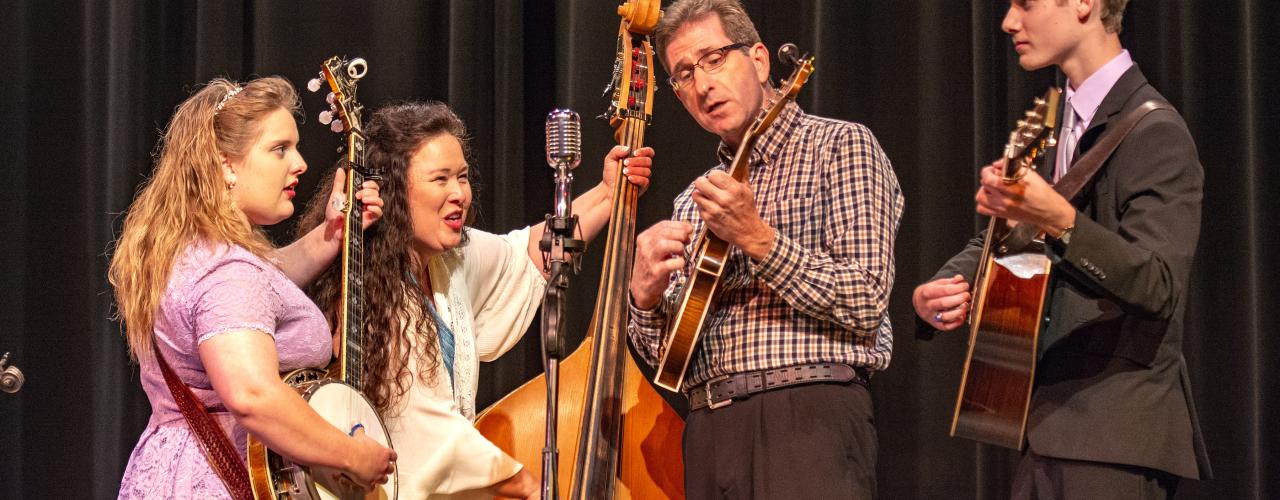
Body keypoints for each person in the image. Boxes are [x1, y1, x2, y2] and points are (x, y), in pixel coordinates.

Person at [912, 0, 1212, 497]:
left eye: (1025, 4)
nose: (1009, 22)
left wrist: (1057, 217)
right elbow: (1015, 236)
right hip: (1044, 428)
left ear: (1083, 4)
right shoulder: (1055, 123)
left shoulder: (1156, 130)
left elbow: (1159, 285)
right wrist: (945, 285)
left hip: (1114, 434)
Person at [296, 101, 653, 499]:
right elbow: (429, 432)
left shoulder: (450, 259)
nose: (459, 194)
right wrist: (529, 487)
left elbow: (531, 252)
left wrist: (608, 193)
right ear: (394, 192)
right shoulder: (375, 289)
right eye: (440, 179)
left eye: (462, 177)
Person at [626, 0, 904, 497]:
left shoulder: (840, 147)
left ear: (758, 59)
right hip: (709, 428)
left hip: (807, 416)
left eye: (714, 59)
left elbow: (866, 300)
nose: (702, 84)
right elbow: (671, 361)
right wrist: (643, 300)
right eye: (684, 74)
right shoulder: (691, 200)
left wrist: (759, 239)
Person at [109, 76, 396, 498]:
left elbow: (263, 290)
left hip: (176, 468)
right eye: (279, 149)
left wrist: (330, 235)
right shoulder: (227, 271)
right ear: (226, 164)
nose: (299, 163)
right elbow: (252, 395)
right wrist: (352, 455)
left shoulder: (197, 252)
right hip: (219, 480)